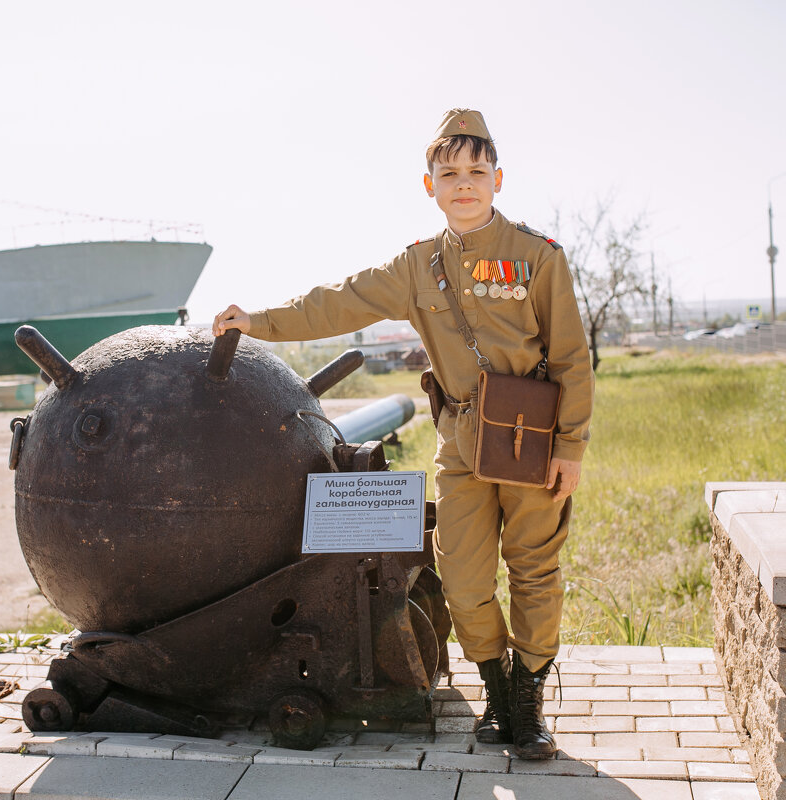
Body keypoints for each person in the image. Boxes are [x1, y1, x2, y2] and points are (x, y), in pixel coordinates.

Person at [213, 108, 593, 760]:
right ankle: (495, 691)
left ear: (498, 179)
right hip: (462, 446)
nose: (464, 183)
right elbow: (337, 301)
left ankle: (525, 709)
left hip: (533, 445)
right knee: (465, 581)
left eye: (477, 171)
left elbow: (571, 358)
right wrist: (257, 321)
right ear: (430, 186)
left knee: (534, 574)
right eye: (450, 173)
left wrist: (572, 446)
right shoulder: (418, 267)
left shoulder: (538, 258)